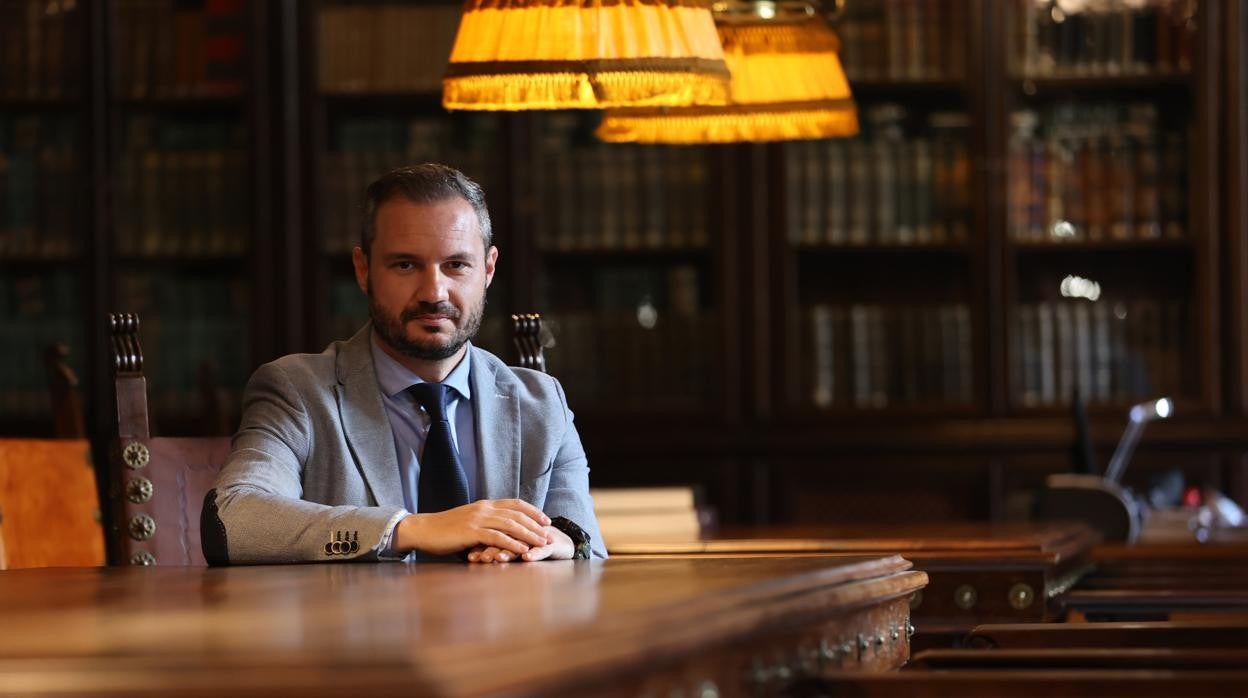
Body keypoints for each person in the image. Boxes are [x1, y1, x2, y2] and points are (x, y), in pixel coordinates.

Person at [202, 164, 605, 564]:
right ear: (364, 270)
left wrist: (563, 545)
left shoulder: (541, 401)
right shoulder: (298, 391)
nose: (434, 292)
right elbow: (233, 519)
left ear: (488, 269)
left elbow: (586, 544)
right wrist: (412, 529)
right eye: (406, 265)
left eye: (456, 265)